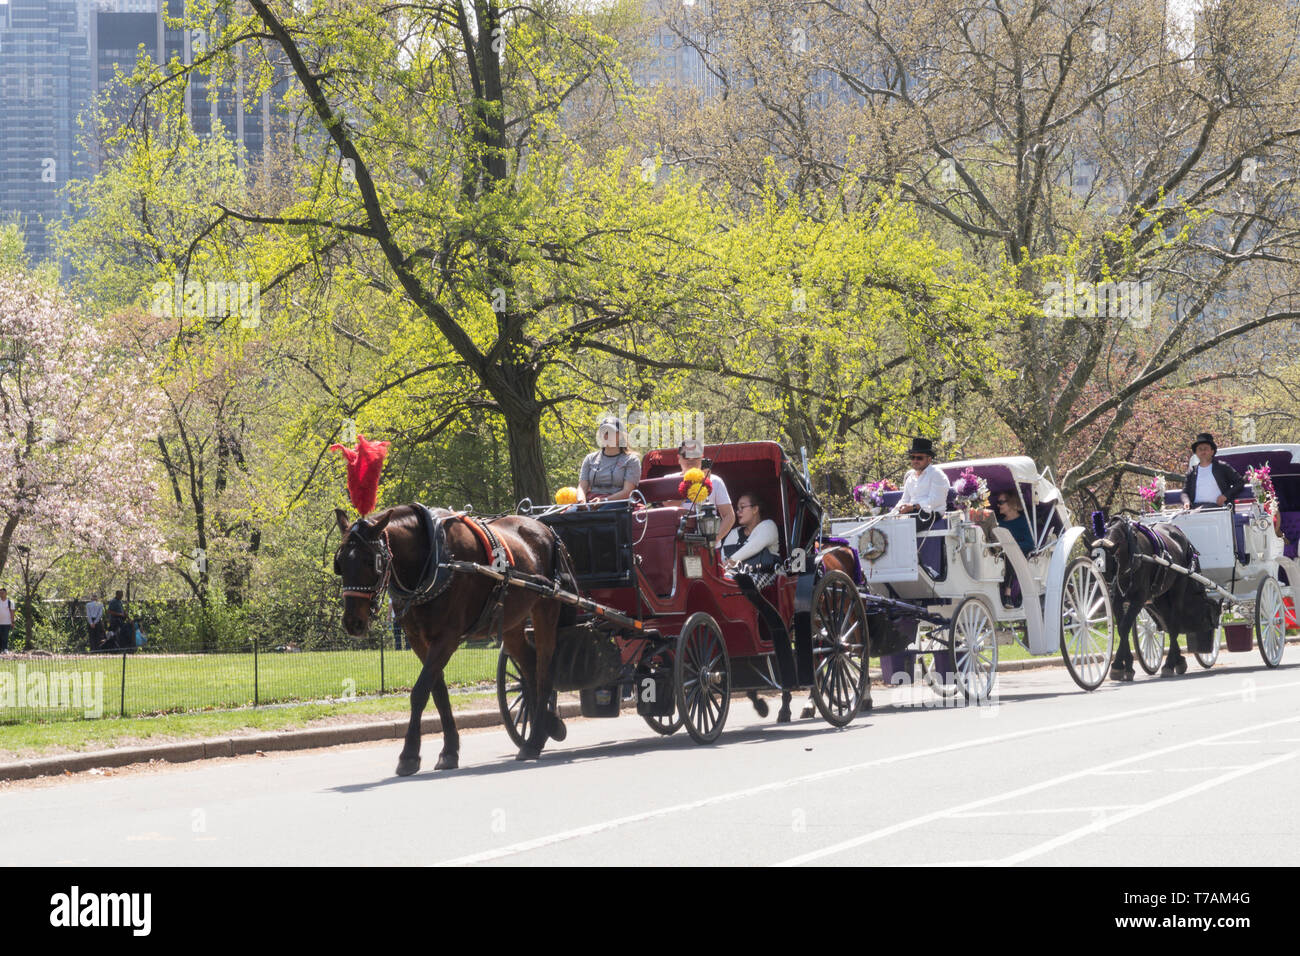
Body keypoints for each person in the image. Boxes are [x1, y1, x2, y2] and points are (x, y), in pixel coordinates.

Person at [666, 437, 736, 544]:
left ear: (701, 457)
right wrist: (688, 488)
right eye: (686, 456)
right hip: (678, 542)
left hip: (707, 545)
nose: (690, 460)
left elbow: (729, 516)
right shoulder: (668, 480)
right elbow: (665, 507)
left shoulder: (715, 481)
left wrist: (716, 538)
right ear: (679, 458)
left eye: (694, 455)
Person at [722, 492, 781, 586]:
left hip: (766, 572)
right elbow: (723, 558)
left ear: (755, 509)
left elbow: (755, 546)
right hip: (736, 574)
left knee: (744, 583)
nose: (738, 512)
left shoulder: (768, 526)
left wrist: (731, 562)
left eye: (742, 507)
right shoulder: (734, 533)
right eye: (737, 509)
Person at [891, 437, 951, 530]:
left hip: (931, 514)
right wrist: (891, 515)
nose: (915, 460)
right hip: (913, 513)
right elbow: (904, 500)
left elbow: (935, 500)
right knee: (887, 526)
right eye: (912, 457)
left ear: (929, 459)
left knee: (902, 528)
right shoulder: (910, 477)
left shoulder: (936, 474)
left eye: (919, 458)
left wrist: (913, 507)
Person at [577, 417, 640, 503]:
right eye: (603, 432)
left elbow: (627, 492)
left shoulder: (631, 460)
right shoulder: (590, 459)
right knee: (562, 516)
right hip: (591, 501)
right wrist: (581, 500)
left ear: (620, 435)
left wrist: (604, 501)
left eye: (610, 432)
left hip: (618, 504)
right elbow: (582, 486)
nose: (606, 435)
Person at [1181, 432, 1245, 510]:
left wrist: (1225, 496)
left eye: (1206, 449)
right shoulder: (1192, 472)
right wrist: (1186, 502)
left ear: (1212, 451)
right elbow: (1185, 492)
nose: (1203, 452)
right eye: (1200, 449)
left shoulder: (1222, 467)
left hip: (1218, 509)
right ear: (1196, 453)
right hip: (1195, 508)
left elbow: (1240, 482)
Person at [993, 491, 1035, 608]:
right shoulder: (999, 523)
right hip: (1000, 552)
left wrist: (1012, 546)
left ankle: (1008, 592)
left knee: (1010, 552)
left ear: (1011, 503)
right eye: (998, 503)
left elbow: (1030, 544)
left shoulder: (1023, 522)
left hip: (1020, 555)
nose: (998, 505)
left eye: (1001, 502)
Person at [0, 587, 13, 653]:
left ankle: (5, 649)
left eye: (3, 593)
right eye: (0, 593)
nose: (1, 594)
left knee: (5, 636)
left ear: (6, 593)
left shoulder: (10, 602)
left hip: (7, 622)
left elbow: (12, 612)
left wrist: (12, 622)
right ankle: (1, 650)